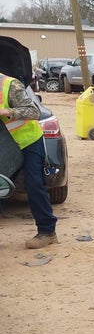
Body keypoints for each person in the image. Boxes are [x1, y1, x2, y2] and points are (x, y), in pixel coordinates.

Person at [0, 71, 58, 248]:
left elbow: (34, 111)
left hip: (28, 142)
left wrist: (6, 111)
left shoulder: (10, 85)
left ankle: (47, 232)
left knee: (34, 183)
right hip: (5, 146)